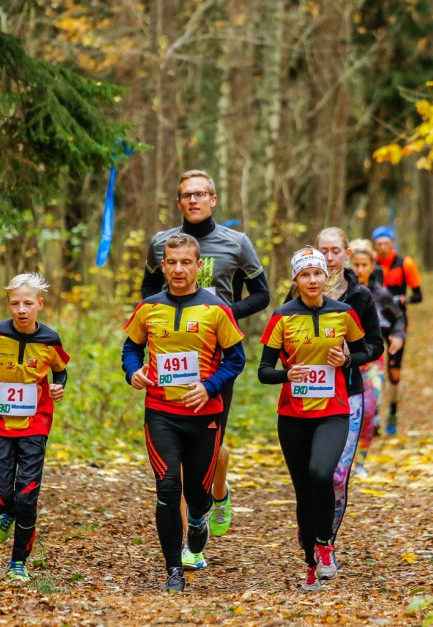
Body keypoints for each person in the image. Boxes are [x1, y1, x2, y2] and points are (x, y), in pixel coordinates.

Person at [141, 169, 269, 569]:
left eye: (201, 194)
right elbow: (146, 291)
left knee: (210, 450)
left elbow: (262, 293)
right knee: (173, 460)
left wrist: (225, 312)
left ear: (213, 199)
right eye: (186, 195)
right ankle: (189, 547)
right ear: (178, 202)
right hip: (172, 355)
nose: (193, 200)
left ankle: (219, 489)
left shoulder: (237, 242)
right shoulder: (162, 243)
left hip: (216, 359)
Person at [123, 233, 246, 593]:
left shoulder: (216, 308)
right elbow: (131, 349)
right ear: (163, 266)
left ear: (197, 266)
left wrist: (208, 387)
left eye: (185, 263)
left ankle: (198, 518)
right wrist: (134, 371)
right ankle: (173, 569)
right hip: (160, 411)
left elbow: (236, 359)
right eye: (171, 262)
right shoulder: (148, 308)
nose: (178, 269)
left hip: (204, 414)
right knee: (167, 487)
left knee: (197, 492)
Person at [259, 247, 370, 592]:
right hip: (292, 416)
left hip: (333, 411)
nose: (312, 280)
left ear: (327, 277)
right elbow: (264, 371)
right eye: (304, 274)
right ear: (295, 280)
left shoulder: (345, 313)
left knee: (322, 473)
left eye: (317, 274)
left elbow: (366, 351)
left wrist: (346, 360)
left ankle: (325, 545)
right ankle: (310, 563)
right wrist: (287, 375)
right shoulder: (282, 316)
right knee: (304, 492)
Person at [284, 229, 384, 569]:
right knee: (312, 478)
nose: (328, 257)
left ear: (345, 253)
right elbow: (280, 343)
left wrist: (349, 360)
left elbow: (374, 346)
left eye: (335, 251)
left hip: (347, 396)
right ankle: (312, 529)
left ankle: (327, 541)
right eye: (323, 250)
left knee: (335, 476)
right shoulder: (297, 291)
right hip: (301, 403)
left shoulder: (359, 296)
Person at [0, 273, 70, 582]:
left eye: (28, 303)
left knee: (26, 496)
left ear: (40, 304)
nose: (21, 309)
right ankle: (5, 512)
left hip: (35, 421)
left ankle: (18, 563)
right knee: (0, 497)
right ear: (8, 304)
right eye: (15, 303)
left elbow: (61, 372)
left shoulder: (50, 340)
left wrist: (58, 387)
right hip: (0, 422)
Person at [348, 239, 405, 475]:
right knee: (347, 413)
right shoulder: (341, 292)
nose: (360, 270)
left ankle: (360, 462)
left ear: (373, 266)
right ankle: (343, 460)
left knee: (369, 410)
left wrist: (398, 336)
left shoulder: (380, 295)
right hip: (344, 360)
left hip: (372, 361)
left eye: (364, 265)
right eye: (356, 265)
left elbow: (398, 318)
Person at [371, 226, 422, 435]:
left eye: (386, 243)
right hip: (373, 322)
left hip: (396, 323)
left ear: (393, 243)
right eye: (379, 243)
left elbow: (419, 295)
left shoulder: (405, 263)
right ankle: (372, 416)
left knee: (393, 373)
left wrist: (404, 299)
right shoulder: (369, 265)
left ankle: (392, 411)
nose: (383, 247)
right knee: (372, 370)